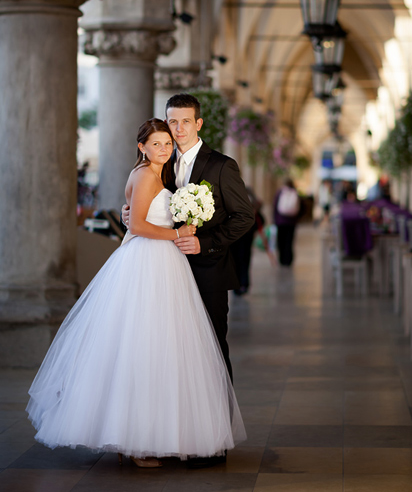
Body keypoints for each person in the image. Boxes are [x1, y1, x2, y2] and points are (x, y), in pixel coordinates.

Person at [27, 120, 246, 467]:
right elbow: (138, 225)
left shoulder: (158, 174)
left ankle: (153, 434)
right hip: (147, 263)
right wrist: (177, 235)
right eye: (156, 143)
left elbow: (138, 214)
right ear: (141, 147)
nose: (164, 148)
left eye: (167, 143)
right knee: (140, 348)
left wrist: (182, 223)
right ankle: (134, 441)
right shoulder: (146, 174)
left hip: (165, 263)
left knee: (162, 350)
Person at [122, 94, 254, 466]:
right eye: (172, 122)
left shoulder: (221, 166)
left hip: (208, 272)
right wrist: (127, 214)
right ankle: (177, 432)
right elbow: (145, 215)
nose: (177, 130)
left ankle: (214, 438)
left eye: (184, 122)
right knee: (172, 355)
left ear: (199, 124)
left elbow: (244, 218)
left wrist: (205, 242)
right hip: (164, 276)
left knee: (211, 352)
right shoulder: (161, 162)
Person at [273, 178, 300, 267]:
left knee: (281, 241)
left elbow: (275, 207)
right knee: (289, 241)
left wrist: (275, 220)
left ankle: (282, 259)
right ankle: (288, 259)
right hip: (291, 222)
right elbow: (301, 208)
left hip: (280, 222)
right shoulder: (295, 193)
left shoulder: (280, 192)